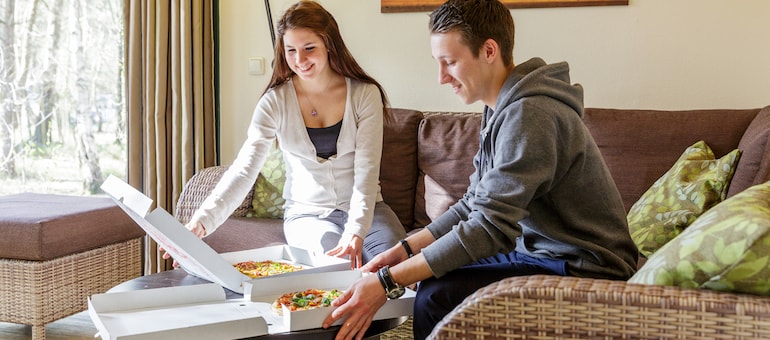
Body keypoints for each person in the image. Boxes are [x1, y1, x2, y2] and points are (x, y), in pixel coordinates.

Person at [322, 0, 638, 338]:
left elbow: (489, 228)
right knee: (431, 282)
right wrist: (404, 251)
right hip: (543, 253)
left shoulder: (531, 114)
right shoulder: (502, 106)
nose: (441, 78)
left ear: (489, 50)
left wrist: (386, 282)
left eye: (450, 62)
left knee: (435, 298)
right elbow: (474, 203)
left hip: (583, 266)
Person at [177, 0, 406, 269]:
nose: (300, 60)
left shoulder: (365, 94)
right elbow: (244, 170)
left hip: (371, 211)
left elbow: (366, 170)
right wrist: (202, 221)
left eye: (309, 48)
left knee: (395, 268)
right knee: (336, 266)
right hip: (307, 216)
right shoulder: (274, 102)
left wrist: (356, 230)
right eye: (291, 51)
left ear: (329, 45)